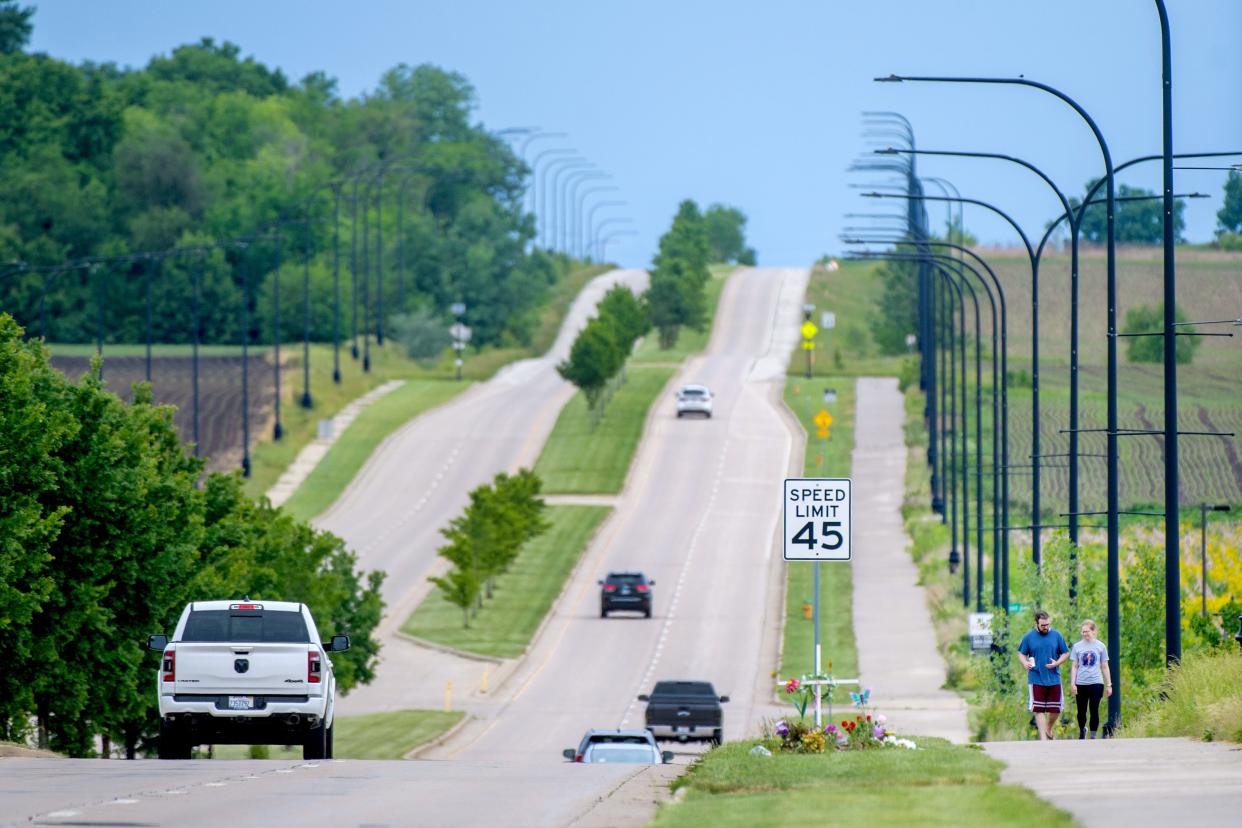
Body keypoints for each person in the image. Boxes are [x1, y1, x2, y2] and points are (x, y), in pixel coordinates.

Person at [1017, 610, 1070, 740]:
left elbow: (1066, 653)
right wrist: (1024, 662)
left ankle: (1048, 728)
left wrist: (1057, 662)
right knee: (1038, 710)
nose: (1046, 627)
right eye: (1043, 625)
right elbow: (1021, 653)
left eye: (1047, 624)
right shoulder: (1029, 637)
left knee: (1056, 709)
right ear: (1036, 623)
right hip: (1036, 677)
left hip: (1054, 677)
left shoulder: (1056, 635)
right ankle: (1043, 739)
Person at [1069, 619, 1112, 739]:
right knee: (1081, 711)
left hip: (1096, 683)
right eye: (1083, 632)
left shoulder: (1101, 646)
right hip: (1081, 683)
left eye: (1087, 631)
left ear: (1093, 631)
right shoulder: (1077, 647)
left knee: (1094, 709)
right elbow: (1074, 666)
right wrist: (1073, 684)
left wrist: (1109, 685)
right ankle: (1082, 730)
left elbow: (1104, 666)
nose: (1084, 634)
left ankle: (1093, 735)